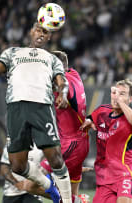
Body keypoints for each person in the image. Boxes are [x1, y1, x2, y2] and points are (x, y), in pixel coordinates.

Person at [0, 23, 72, 203]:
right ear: (31, 31)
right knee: (17, 166)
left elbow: (62, 81)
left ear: (50, 37)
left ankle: (67, 200)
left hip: (41, 107)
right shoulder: (12, 52)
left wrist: (63, 94)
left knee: (56, 159)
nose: (41, 34)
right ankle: (49, 186)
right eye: (38, 30)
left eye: (46, 32)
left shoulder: (51, 59)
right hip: (15, 109)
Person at [80, 79, 132, 203]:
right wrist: (88, 122)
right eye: (115, 92)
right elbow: (90, 118)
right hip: (104, 177)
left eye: (122, 94)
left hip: (125, 173)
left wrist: (120, 102)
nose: (117, 96)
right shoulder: (102, 110)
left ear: (130, 99)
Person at [40, 51, 89, 200]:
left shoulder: (64, 82)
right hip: (80, 142)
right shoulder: (74, 73)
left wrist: (63, 96)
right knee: (71, 191)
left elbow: (64, 88)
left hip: (71, 144)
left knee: (35, 177)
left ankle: (77, 201)